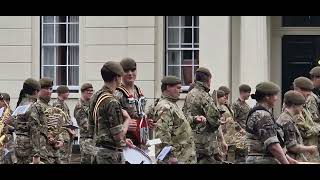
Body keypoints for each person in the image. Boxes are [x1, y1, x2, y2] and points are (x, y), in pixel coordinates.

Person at [88, 61, 134, 164]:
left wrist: (123, 141)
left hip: (97, 152)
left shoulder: (96, 96)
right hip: (110, 155)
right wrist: (127, 119)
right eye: (120, 77)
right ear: (116, 78)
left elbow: (92, 128)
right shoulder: (112, 102)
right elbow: (118, 135)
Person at [246, 81, 297, 164]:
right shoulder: (262, 116)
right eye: (275, 95)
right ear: (267, 97)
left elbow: (275, 143)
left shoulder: (261, 113)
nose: (277, 98)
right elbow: (273, 146)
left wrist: (288, 159)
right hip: (262, 160)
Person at [183, 67, 226, 164]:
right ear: (208, 80)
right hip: (205, 143)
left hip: (192, 140)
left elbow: (185, 114)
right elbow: (214, 120)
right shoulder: (204, 96)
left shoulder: (190, 94)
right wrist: (219, 119)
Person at [153, 76, 196, 164]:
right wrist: (169, 156)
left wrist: (194, 119)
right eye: (178, 88)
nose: (180, 91)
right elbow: (163, 134)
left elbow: (179, 124)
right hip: (175, 158)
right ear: (168, 87)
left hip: (183, 156)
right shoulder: (165, 106)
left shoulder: (172, 104)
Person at [114, 57, 155, 149]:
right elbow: (109, 120)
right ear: (120, 73)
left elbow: (139, 115)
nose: (130, 73)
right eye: (126, 71)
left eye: (133, 70)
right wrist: (124, 126)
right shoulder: (117, 93)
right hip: (125, 143)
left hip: (140, 142)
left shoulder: (138, 91)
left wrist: (146, 122)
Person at [29, 77, 64, 164]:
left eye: (50, 89)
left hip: (54, 151)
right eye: (45, 89)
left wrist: (60, 140)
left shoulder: (50, 107)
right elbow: (34, 129)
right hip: (43, 152)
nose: (49, 91)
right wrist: (36, 155)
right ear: (38, 90)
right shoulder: (35, 106)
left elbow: (56, 127)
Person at [277, 90, 318, 162]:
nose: (302, 108)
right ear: (294, 105)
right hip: (290, 159)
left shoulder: (287, 118)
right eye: (301, 105)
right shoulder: (287, 121)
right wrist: (309, 148)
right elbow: (292, 147)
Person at [292, 77, 320, 162]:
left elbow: (311, 124)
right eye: (306, 94)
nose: (307, 97)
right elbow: (305, 131)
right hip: (303, 152)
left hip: (309, 151)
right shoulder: (293, 107)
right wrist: (318, 128)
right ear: (297, 90)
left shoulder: (302, 106)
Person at [52, 85, 75, 164]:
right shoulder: (57, 104)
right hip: (62, 134)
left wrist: (72, 128)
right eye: (67, 92)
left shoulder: (64, 103)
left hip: (67, 134)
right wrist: (70, 129)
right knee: (62, 158)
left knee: (67, 157)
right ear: (61, 93)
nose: (68, 94)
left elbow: (67, 118)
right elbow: (59, 120)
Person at [74, 83, 94, 164]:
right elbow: (85, 125)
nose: (90, 92)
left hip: (93, 138)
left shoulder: (90, 104)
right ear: (82, 92)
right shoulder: (80, 106)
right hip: (86, 140)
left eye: (91, 91)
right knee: (87, 161)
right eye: (88, 91)